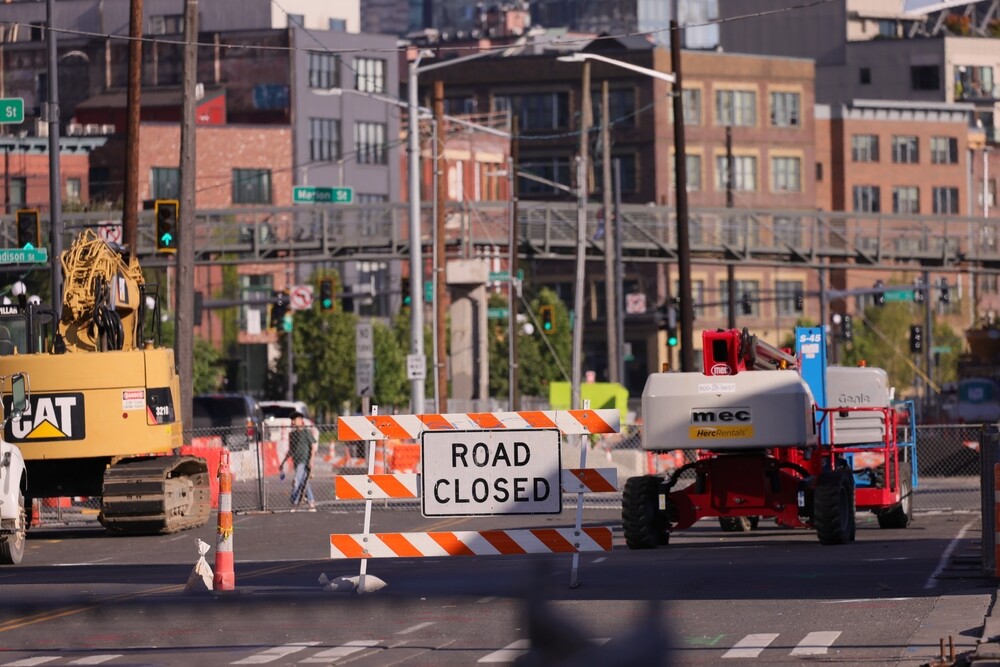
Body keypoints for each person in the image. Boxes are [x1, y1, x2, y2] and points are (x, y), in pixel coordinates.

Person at [280, 411, 317, 511]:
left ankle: (294, 503)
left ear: (300, 421)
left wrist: (311, 461)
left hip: (304, 461)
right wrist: (283, 462)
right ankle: (311, 502)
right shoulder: (292, 434)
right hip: (296, 462)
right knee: (304, 483)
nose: (292, 422)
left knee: (296, 481)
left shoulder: (306, 432)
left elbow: (313, 447)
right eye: (292, 420)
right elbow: (291, 450)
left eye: (294, 420)